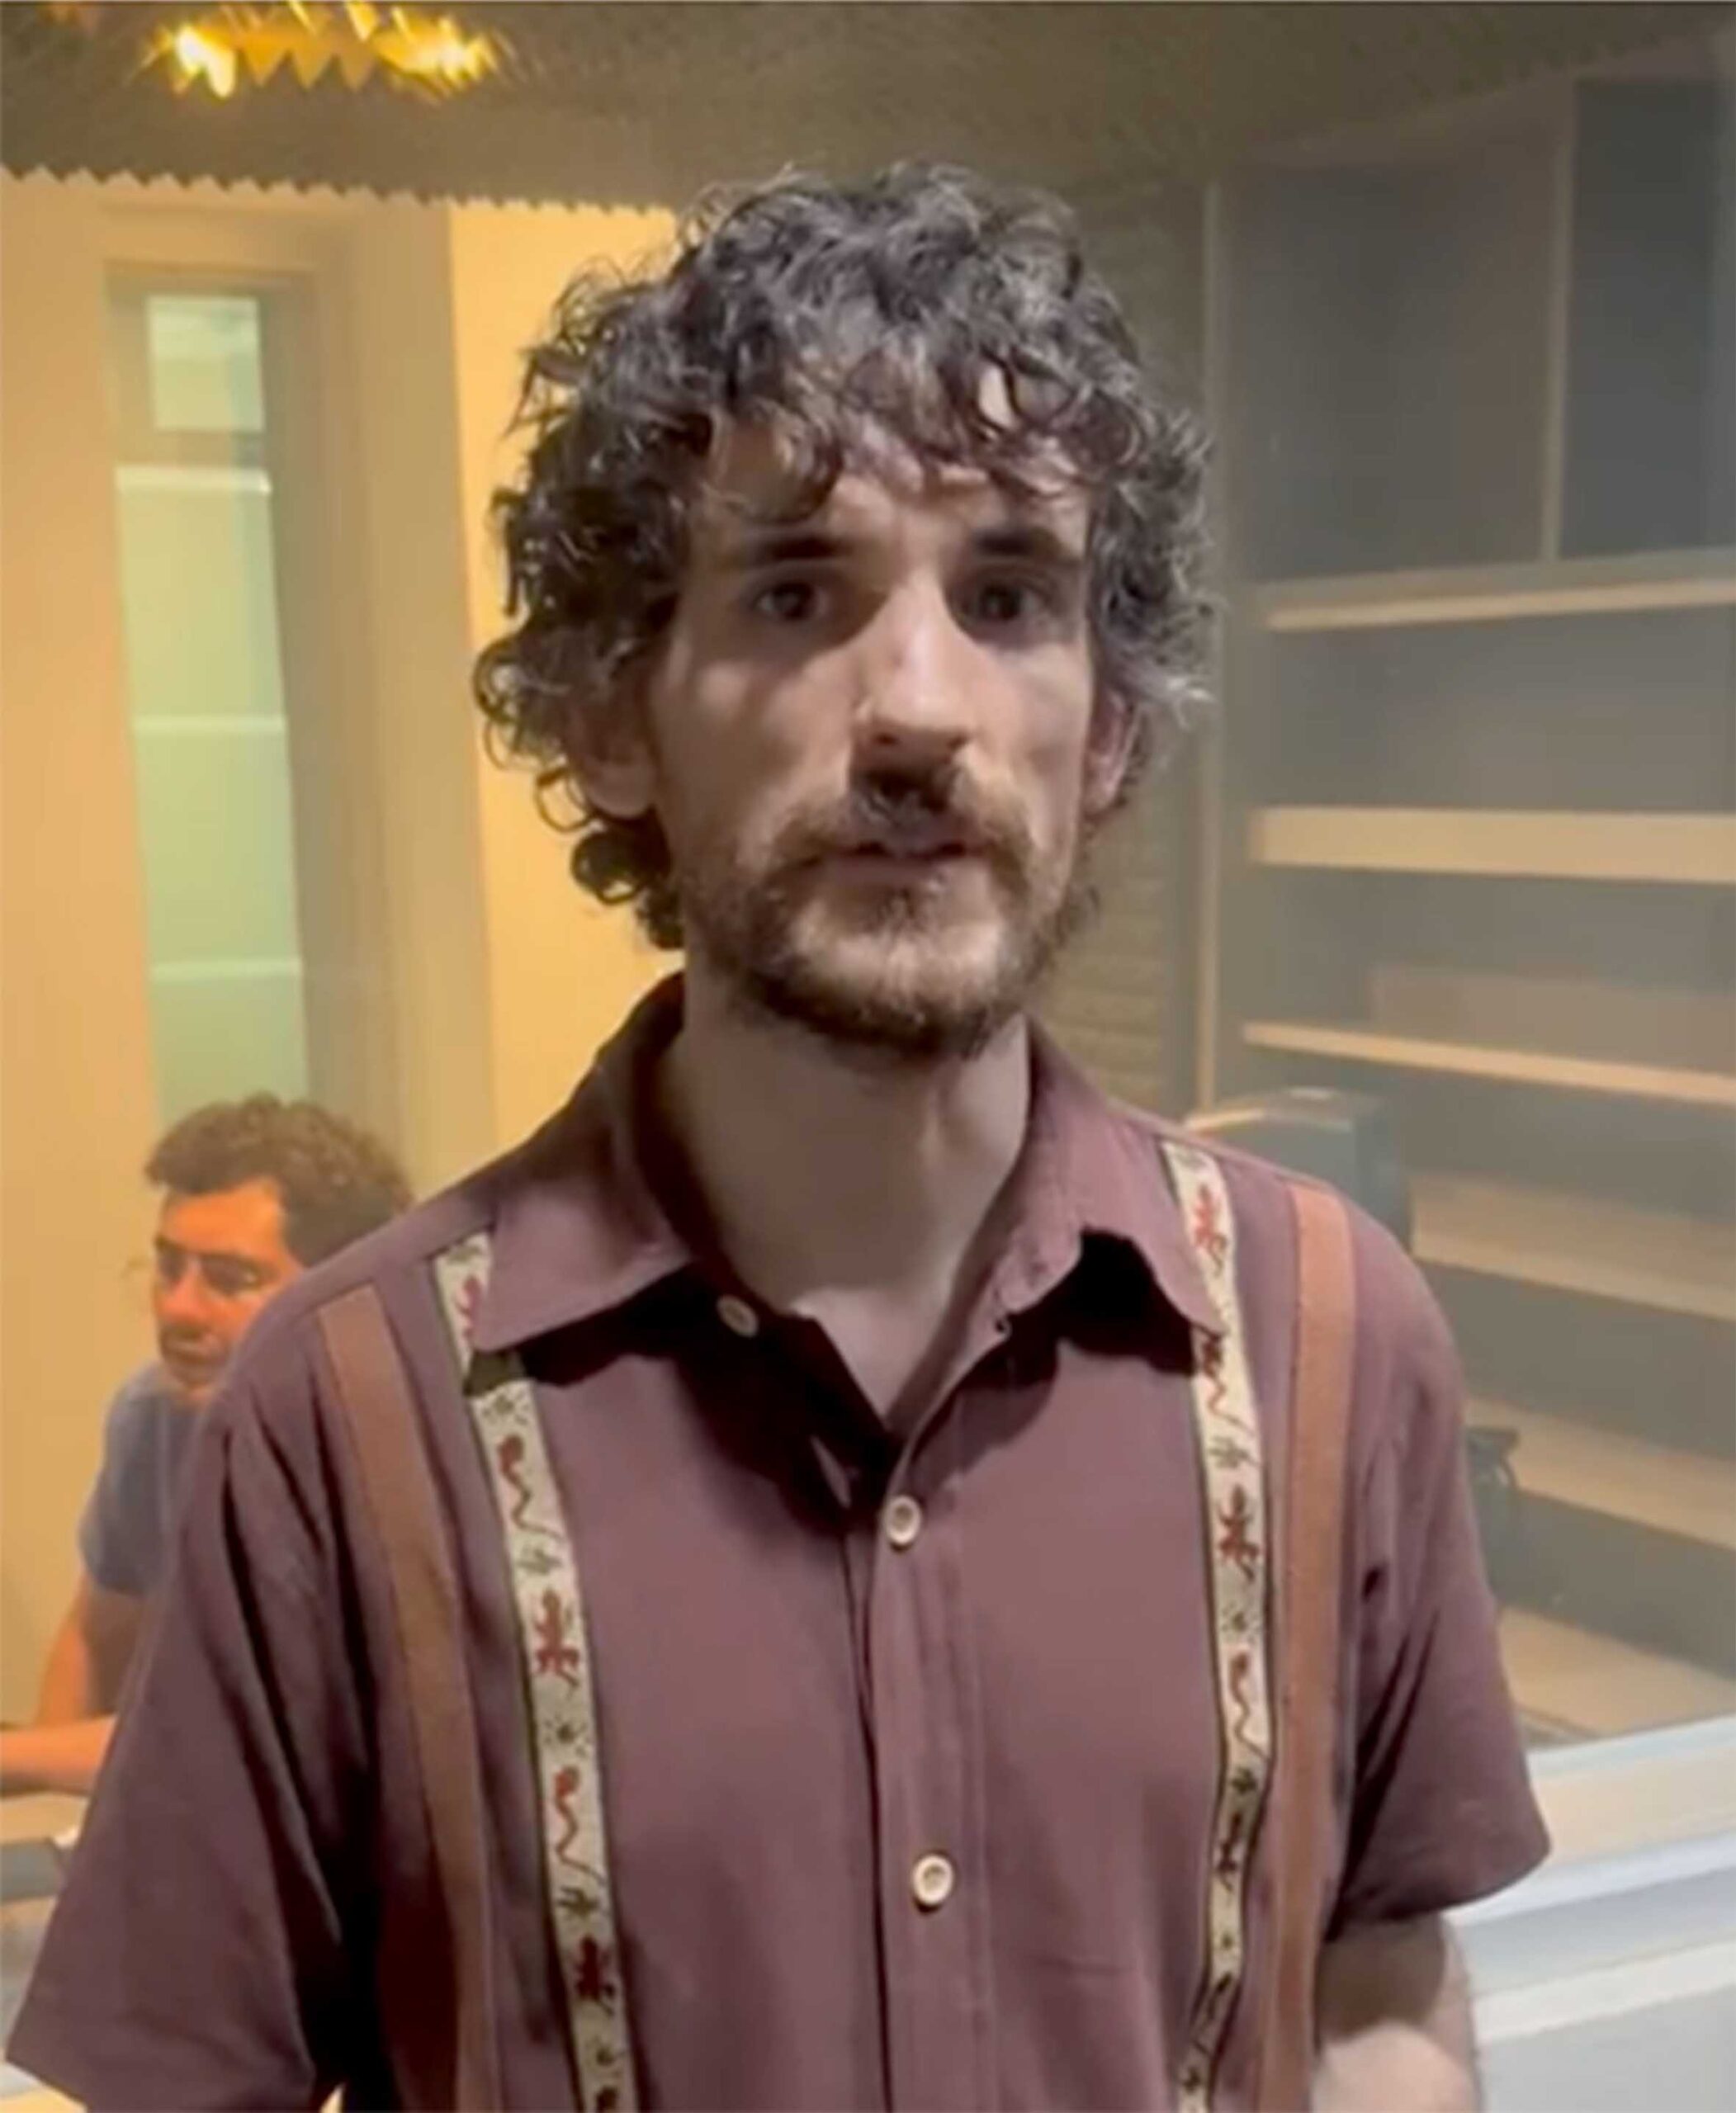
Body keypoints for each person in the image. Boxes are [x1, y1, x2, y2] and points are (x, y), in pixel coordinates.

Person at [12, 166, 1546, 2111]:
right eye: (796, 593)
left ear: (1105, 727)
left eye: (1009, 596)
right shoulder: (348, 1419)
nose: (915, 709)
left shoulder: (1335, 1339)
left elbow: (1376, 1972)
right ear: (612, 715)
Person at [0, 1094, 410, 1799]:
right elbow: (99, 1635)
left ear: (343, 1292)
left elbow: (246, 1741)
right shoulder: (153, 1417)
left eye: (229, 1280)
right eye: (169, 1269)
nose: (178, 1308)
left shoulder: (395, 1447)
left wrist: (16, 1760)